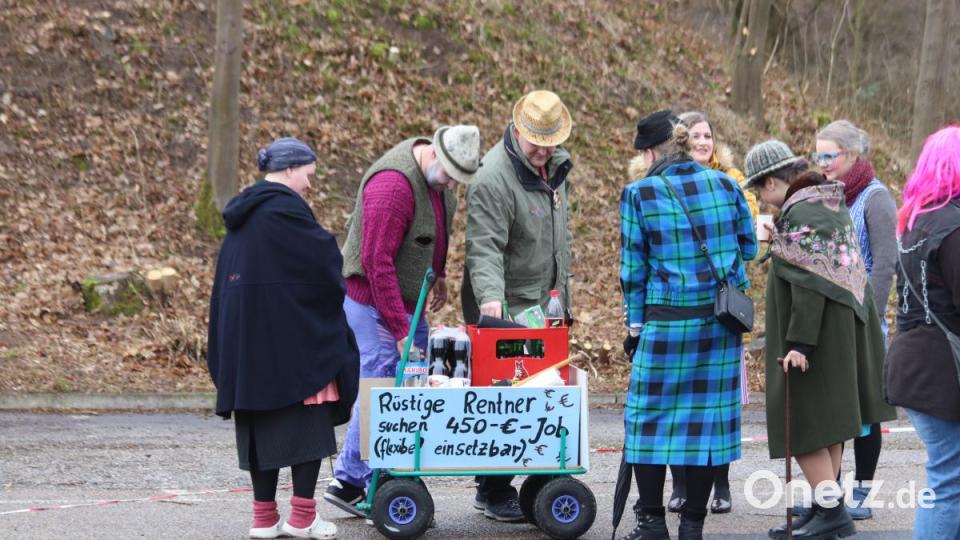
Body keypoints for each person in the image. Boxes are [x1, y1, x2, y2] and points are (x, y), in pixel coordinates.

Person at [323, 125, 481, 518]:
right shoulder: (392, 187)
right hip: (372, 300)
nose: (449, 184)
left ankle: (389, 462)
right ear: (433, 154)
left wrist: (439, 273)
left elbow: (437, 231)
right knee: (382, 380)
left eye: (456, 180)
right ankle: (349, 481)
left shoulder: (438, 183)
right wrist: (398, 329)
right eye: (447, 175)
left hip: (408, 300)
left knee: (410, 377)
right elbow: (376, 264)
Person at [207, 137, 360, 540]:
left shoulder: (240, 221)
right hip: (294, 347)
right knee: (309, 423)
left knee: (260, 427)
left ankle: (262, 520)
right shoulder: (287, 213)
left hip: (249, 353)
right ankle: (303, 518)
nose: (310, 185)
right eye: (309, 175)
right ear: (291, 169)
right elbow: (327, 263)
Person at [742, 140, 896, 539]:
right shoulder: (825, 204)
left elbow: (810, 286)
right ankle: (822, 507)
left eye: (760, 190)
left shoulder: (804, 213)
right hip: (837, 333)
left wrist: (799, 344)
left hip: (817, 337)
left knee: (806, 424)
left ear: (774, 181)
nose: (762, 199)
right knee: (828, 425)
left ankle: (831, 511)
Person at [618, 110, 757, 540]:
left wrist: (635, 330)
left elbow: (632, 273)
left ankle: (652, 522)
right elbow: (748, 247)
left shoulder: (639, 194)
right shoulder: (726, 184)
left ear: (649, 152)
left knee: (647, 422)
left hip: (665, 324)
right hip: (718, 326)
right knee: (705, 425)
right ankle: (692, 527)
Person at [461, 90, 574, 522]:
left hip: (545, 301)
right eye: (536, 144)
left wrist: (561, 293)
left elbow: (557, 237)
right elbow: (484, 246)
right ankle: (492, 489)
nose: (544, 151)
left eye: (551, 142)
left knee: (541, 397)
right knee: (504, 400)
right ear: (518, 131)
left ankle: (537, 480)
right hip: (507, 306)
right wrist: (491, 303)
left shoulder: (556, 169)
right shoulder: (492, 177)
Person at [660, 111, 760, 515]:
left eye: (709, 135)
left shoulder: (733, 183)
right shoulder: (658, 186)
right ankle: (681, 484)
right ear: (683, 141)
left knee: (719, 405)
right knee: (679, 404)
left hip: (722, 311)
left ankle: (721, 485)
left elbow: (748, 241)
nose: (704, 141)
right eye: (696, 135)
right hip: (678, 310)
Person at [814, 120, 897, 520]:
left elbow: (885, 262)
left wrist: (870, 312)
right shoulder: (826, 197)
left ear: (852, 155)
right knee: (837, 410)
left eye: (829, 155)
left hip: (863, 323)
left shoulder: (875, 198)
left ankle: (863, 491)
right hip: (830, 323)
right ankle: (832, 493)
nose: (822, 163)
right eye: (819, 156)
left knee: (865, 411)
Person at [886, 125, 960, 540]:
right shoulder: (952, 226)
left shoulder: (913, 220)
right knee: (948, 479)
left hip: (913, 362)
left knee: (946, 477)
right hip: (940, 370)